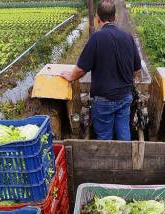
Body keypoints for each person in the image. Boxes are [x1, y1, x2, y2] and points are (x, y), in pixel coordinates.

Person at [60, 0, 141, 141]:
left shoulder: (96, 38)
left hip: (103, 100)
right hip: (124, 97)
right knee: (123, 133)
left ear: (98, 19)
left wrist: (70, 76)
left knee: (104, 137)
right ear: (115, 18)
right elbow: (136, 70)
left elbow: (81, 70)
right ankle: (126, 158)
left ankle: (106, 159)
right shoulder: (128, 37)